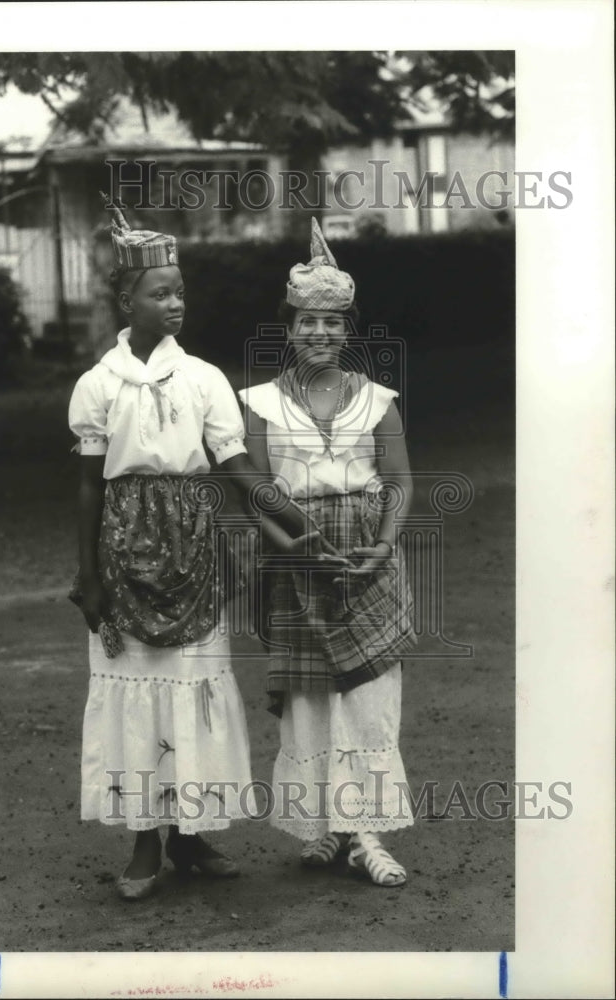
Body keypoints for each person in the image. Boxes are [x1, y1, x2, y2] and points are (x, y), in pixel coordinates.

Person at [68, 202, 290, 902]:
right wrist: (88, 576)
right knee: (134, 688)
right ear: (125, 299)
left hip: (194, 545)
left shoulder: (203, 380)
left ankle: (191, 835)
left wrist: (287, 513)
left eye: (180, 292)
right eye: (159, 293)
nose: (174, 303)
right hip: (124, 549)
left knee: (195, 687)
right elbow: (86, 486)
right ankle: (143, 840)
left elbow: (233, 465)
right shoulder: (98, 385)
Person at [239, 218, 417, 887]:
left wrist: (381, 547)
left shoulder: (377, 401)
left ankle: (367, 834)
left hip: (365, 566)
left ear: (347, 331)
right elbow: (256, 494)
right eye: (306, 322)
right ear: (287, 327)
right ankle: (321, 827)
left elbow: (399, 483)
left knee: (367, 698)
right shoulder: (255, 404)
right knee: (311, 699)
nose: (319, 333)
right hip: (295, 565)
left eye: (331, 323)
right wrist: (294, 554)